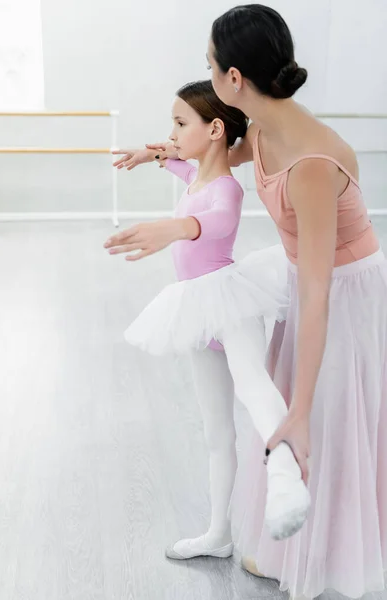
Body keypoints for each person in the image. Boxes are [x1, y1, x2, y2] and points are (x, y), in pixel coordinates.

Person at [142, 4, 387, 599]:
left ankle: (334, 554)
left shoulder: (310, 163)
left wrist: (297, 407)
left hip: (341, 293)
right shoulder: (262, 129)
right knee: (295, 405)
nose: (206, 69)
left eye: (210, 63)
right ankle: (301, 539)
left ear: (234, 79)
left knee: (321, 412)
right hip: (305, 279)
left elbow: (320, 290)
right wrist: (154, 152)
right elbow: (218, 156)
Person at [106, 79, 311, 560]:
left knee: (252, 385)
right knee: (216, 430)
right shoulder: (196, 176)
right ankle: (218, 533)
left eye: (180, 123)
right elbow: (178, 166)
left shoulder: (226, 187)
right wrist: (149, 155)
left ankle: (288, 471)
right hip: (197, 310)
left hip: (228, 303)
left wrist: (177, 228)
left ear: (216, 128)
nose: (171, 133)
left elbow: (217, 219)